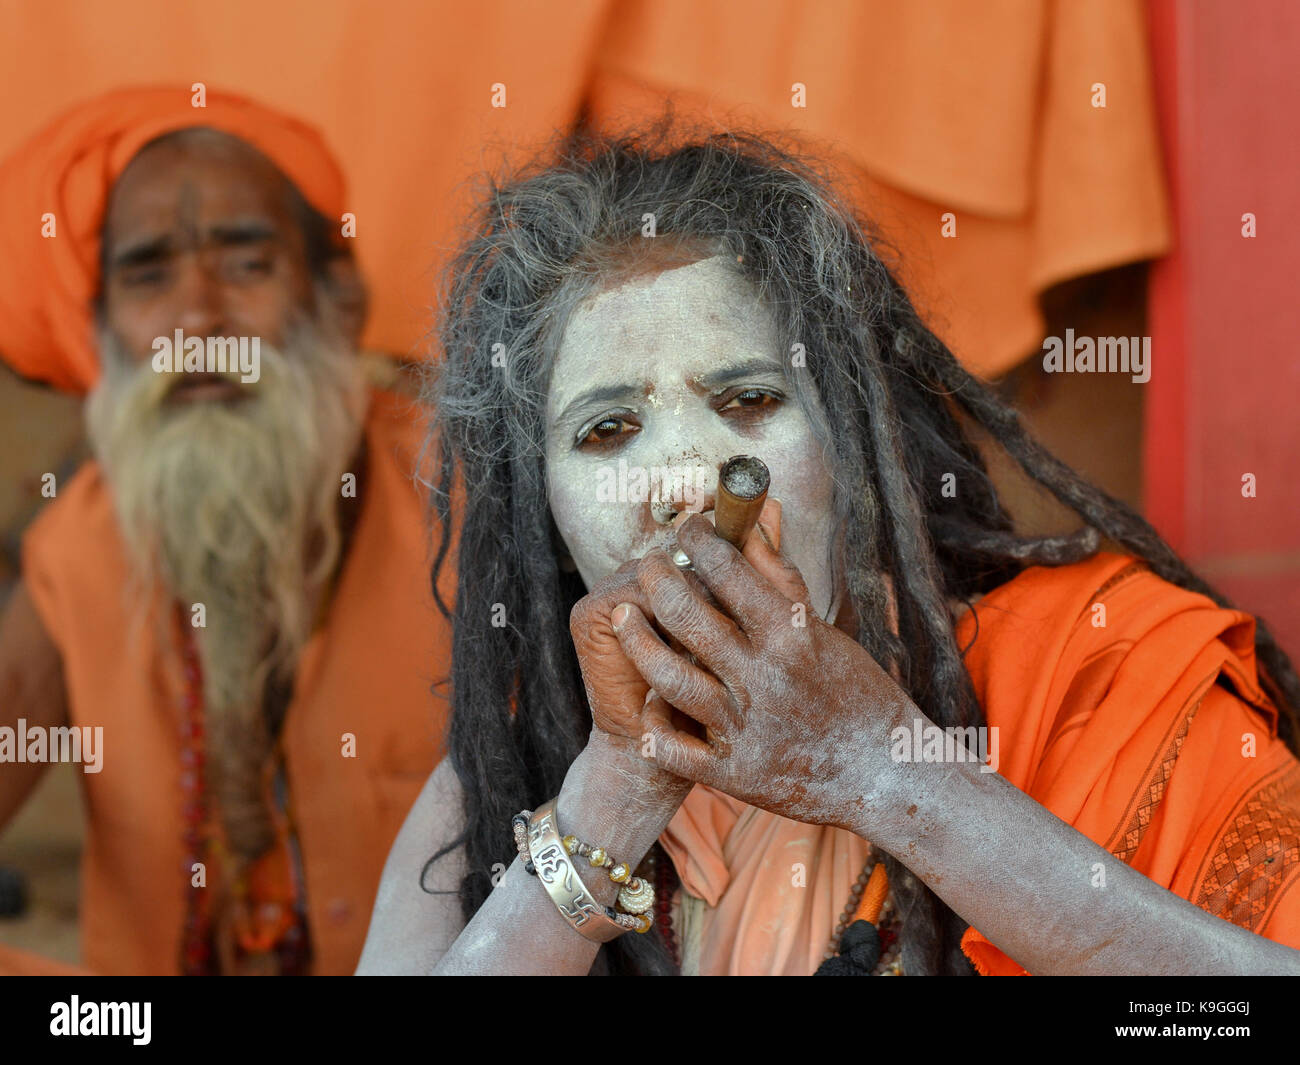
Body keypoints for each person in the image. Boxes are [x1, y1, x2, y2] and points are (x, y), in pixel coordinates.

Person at [357, 126, 1300, 976]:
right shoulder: (521, 758)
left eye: (750, 402)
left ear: (851, 443)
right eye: (607, 430)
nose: (685, 476)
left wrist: (879, 770)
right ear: (545, 515)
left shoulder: (1103, 674)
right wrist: (615, 790)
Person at [0, 87, 454, 975]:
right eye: (148, 274)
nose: (198, 319)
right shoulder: (79, 547)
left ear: (337, 297)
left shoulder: (474, 508)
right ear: (103, 332)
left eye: (244, 264)